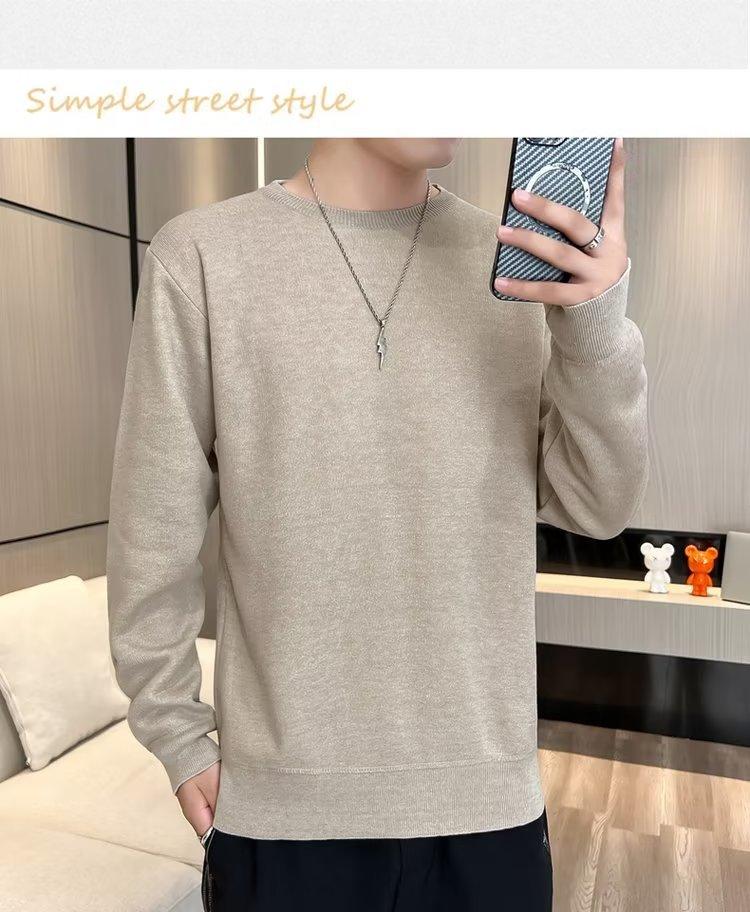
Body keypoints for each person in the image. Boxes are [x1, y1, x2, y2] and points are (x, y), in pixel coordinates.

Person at [106, 138, 648, 911]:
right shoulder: (200, 257)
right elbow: (151, 537)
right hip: (284, 818)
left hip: (487, 807)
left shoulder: (514, 262)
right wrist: (176, 734)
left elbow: (595, 505)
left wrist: (594, 327)